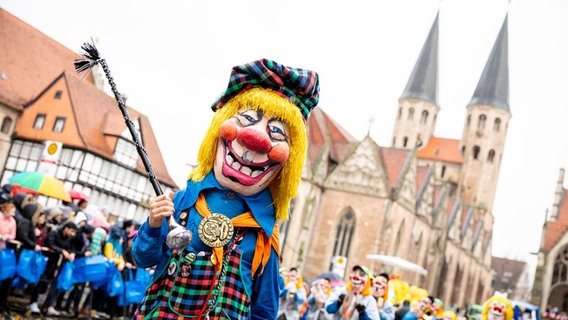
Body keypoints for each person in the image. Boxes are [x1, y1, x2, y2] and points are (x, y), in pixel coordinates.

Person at [132, 58, 319, 319]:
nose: (255, 137)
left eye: (276, 133)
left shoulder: (265, 236)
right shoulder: (183, 201)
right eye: (246, 119)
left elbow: (264, 310)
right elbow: (142, 258)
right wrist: (153, 225)